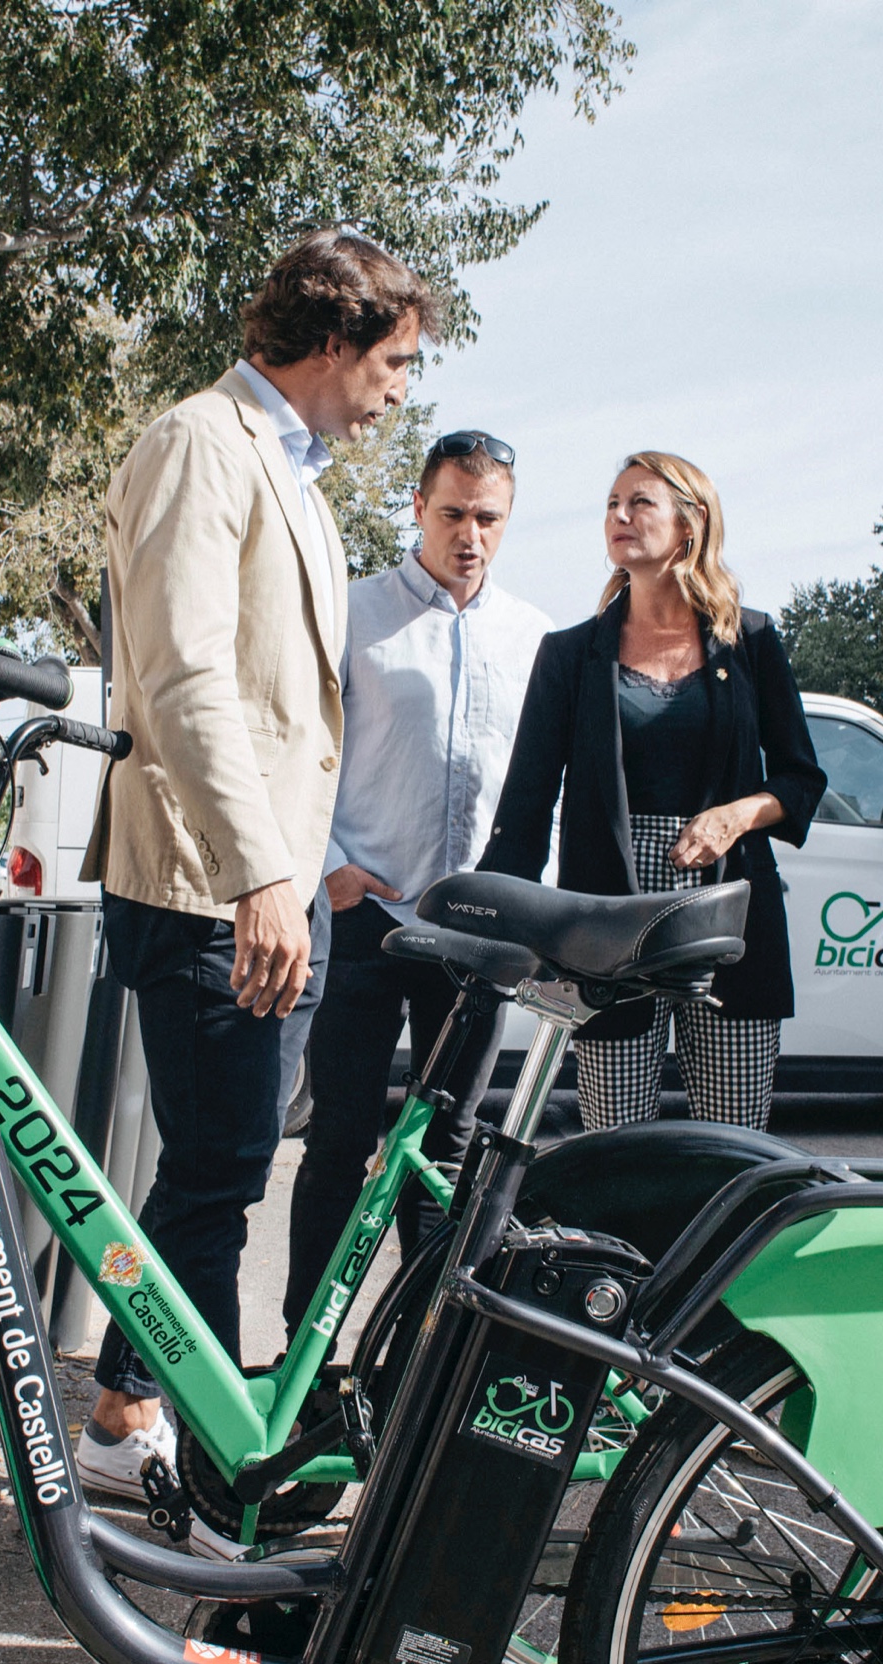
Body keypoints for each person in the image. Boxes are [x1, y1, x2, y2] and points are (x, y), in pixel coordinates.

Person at [74, 229, 436, 1528]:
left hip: (272, 882)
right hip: (213, 885)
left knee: (217, 1171)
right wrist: (264, 876)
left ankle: (127, 1413)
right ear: (333, 342)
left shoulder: (297, 470)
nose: (403, 386)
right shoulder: (198, 443)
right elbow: (182, 679)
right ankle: (225, 1477)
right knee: (222, 1177)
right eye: (395, 359)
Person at [283, 431, 555, 1334]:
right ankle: (302, 1350)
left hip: (477, 934)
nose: (468, 534)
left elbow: (542, 780)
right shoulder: (351, 613)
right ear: (418, 509)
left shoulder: (532, 637)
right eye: (452, 514)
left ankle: (415, 1358)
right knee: (338, 1143)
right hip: (368, 918)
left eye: (488, 518)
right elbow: (296, 750)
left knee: (449, 1151)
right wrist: (330, 872)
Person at [481, 451, 826, 1132]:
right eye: (612, 504)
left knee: (732, 1144)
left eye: (640, 503)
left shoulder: (751, 641)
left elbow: (800, 779)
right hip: (607, 918)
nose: (619, 517)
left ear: (690, 523)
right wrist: (494, 927)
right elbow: (526, 805)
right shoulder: (570, 654)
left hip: (726, 912)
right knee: (613, 1142)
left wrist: (733, 817)